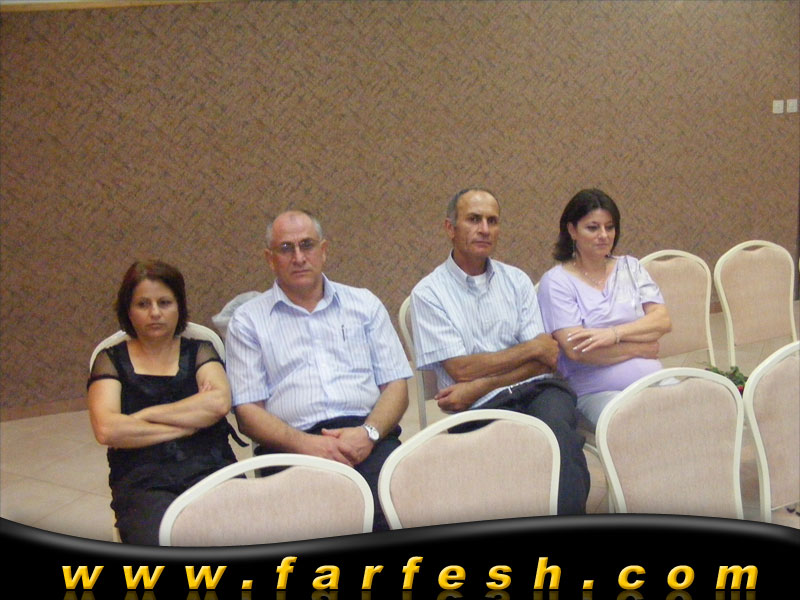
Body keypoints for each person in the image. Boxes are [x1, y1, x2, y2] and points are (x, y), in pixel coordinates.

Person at [225, 209, 412, 532]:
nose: (299, 257)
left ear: (323, 251)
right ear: (270, 259)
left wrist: (367, 434)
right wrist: (308, 445)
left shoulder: (364, 305)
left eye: (307, 245)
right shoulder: (248, 321)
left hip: (368, 437)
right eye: (286, 248)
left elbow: (396, 386)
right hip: (291, 449)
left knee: (397, 514)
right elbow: (247, 413)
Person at [410, 188, 590, 515]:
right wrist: (529, 348)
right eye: (474, 219)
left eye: (492, 221)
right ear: (450, 228)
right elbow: (461, 369)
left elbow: (546, 359)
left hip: (537, 389)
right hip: (479, 407)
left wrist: (479, 384)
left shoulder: (516, 280)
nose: (484, 229)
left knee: (560, 441)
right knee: (510, 462)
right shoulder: (429, 294)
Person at [87, 260, 238, 545]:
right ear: (128, 310)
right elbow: (107, 430)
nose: (155, 313)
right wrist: (189, 422)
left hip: (211, 468)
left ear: (179, 306)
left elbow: (218, 404)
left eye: (164, 303)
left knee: (237, 535)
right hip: (143, 480)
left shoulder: (200, 351)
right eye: (143, 304)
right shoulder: (110, 359)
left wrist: (141, 416)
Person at [537, 188, 672, 429]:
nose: (603, 235)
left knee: (692, 408)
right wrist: (640, 348)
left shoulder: (631, 267)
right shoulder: (556, 281)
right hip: (598, 392)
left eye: (609, 227)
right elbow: (577, 350)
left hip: (653, 379)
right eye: (593, 228)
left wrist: (613, 334)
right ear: (572, 230)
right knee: (637, 423)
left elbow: (661, 321)